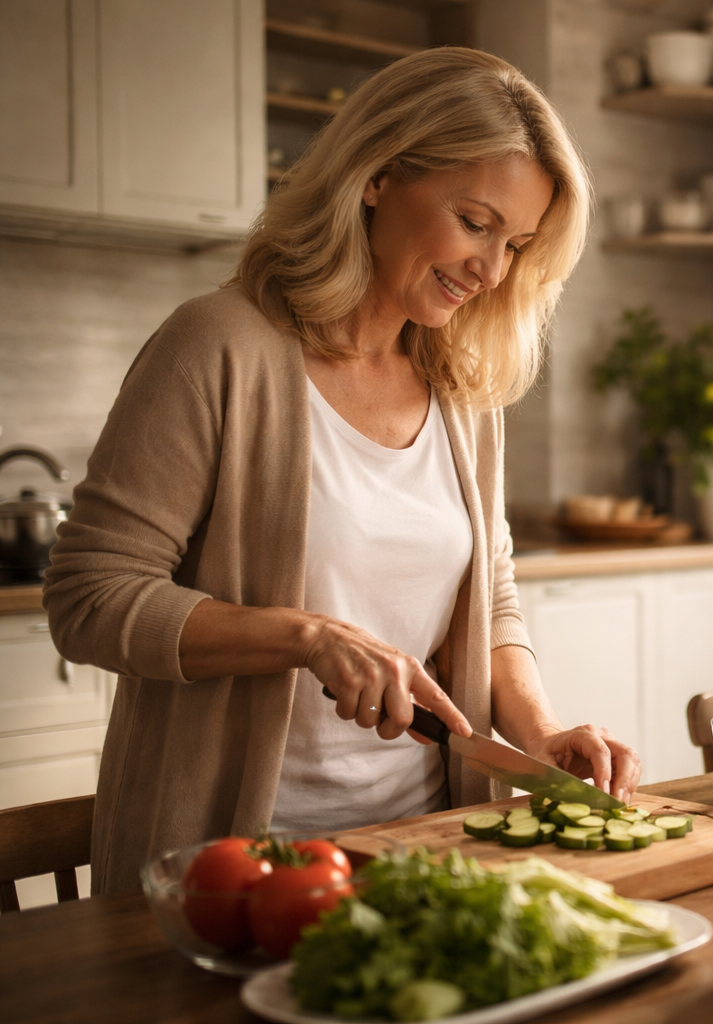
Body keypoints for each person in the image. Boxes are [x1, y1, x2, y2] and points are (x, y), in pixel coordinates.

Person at [44, 48, 638, 895]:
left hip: (423, 854)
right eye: (475, 222)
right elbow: (88, 597)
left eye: (516, 244)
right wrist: (306, 637)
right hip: (240, 868)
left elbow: (491, 593)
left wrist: (537, 734)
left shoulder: (463, 391)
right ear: (377, 177)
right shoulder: (217, 346)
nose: (492, 269)